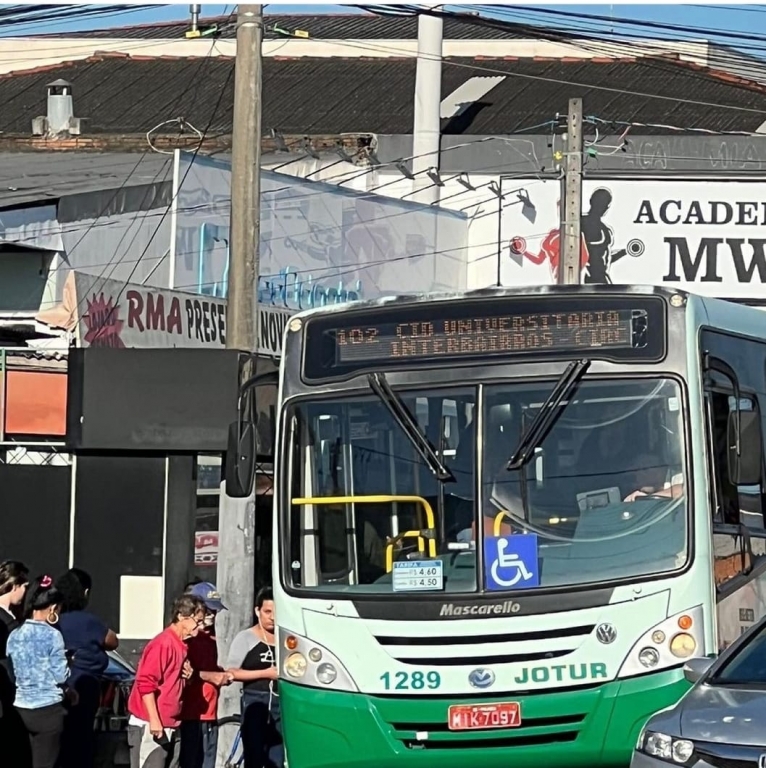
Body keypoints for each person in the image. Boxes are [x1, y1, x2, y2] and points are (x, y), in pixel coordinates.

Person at [127, 594, 206, 768]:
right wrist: (155, 720)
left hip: (172, 723)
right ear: (181, 616)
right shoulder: (163, 644)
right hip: (151, 725)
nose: (200, 627)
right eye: (198, 621)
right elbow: (146, 683)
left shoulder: (182, 645)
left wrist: (189, 678)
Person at [55, 567, 120, 768]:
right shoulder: (88, 622)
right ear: (85, 592)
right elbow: (112, 641)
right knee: (81, 740)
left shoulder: (53, 621)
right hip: (85, 688)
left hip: (55, 690)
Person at [7, 575, 72, 768]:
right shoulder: (53, 635)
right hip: (48, 709)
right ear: (53, 608)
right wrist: (69, 664)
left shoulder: (14, 634)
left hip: (20, 708)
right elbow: (60, 675)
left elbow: (12, 672)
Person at [226, 587, 283, 768]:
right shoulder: (245, 638)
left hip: (281, 703)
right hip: (255, 700)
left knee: (277, 758)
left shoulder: (286, 639)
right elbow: (232, 672)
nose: (272, 617)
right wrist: (266, 673)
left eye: (276, 612)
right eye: (267, 612)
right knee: (255, 756)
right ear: (257, 611)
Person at [179, 582, 233, 768]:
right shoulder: (185, 640)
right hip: (191, 714)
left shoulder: (210, 640)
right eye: (208, 610)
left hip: (210, 713)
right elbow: (184, 672)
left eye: (214, 611)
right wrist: (212, 676)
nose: (211, 616)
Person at [0, 561, 30, 763]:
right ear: (14, 585)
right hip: (7, 688)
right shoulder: (5, 620)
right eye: (24, 586)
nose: (25, 592)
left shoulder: (11, 616)